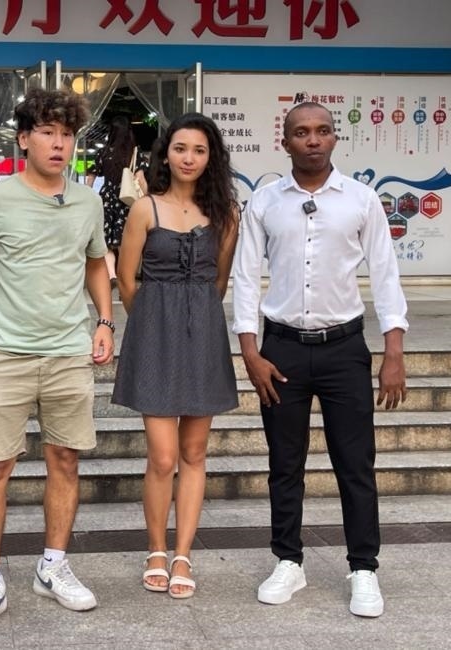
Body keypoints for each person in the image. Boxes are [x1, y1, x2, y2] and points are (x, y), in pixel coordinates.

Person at [232, 101, 408, 618]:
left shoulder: (361, 199)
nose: (313, 139)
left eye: (323, 131)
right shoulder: (265, 202)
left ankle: (364, 568)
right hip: (281, 350)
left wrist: (393, 350)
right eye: (302, 132)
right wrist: (250, 351)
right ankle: (288, 561)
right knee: (284, 464)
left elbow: (385, 273)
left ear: (335, 138)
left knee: (356, 464)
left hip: (344, 350)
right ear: (285, 141)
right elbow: (245, 277)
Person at [0, 87, 113, 635]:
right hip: (6, 353)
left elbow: (96, 263)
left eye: (66, 134)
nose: (59, 144)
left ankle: (53, 566)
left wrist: (105, 322)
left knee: (66, 460)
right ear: (24, 139)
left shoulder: (87, 202)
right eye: (47, 133)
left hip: (69, 352)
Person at [112, 113, 239, 599]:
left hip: (203, 333)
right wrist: (155, 321)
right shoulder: (145, 209)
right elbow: (128, 282)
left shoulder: (226, 213)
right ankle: (156, 549)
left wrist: (193, 314)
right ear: (166, 153)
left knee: (194, 452)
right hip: (155, 336)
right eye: (181, 148)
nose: (189, 158)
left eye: (199, 150)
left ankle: (183, 553)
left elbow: (219, 281)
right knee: (163, 457)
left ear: (211, 158)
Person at [95, 114, 146, 287]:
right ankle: (126, 276)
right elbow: (140, 178)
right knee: (125, 240)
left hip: (106, 200)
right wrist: (148, 199)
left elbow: (91, 175)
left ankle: (111, 275)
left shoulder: (103, 152)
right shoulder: (134, 153)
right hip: (126, 200)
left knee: (107, 241)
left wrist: (89, 194)